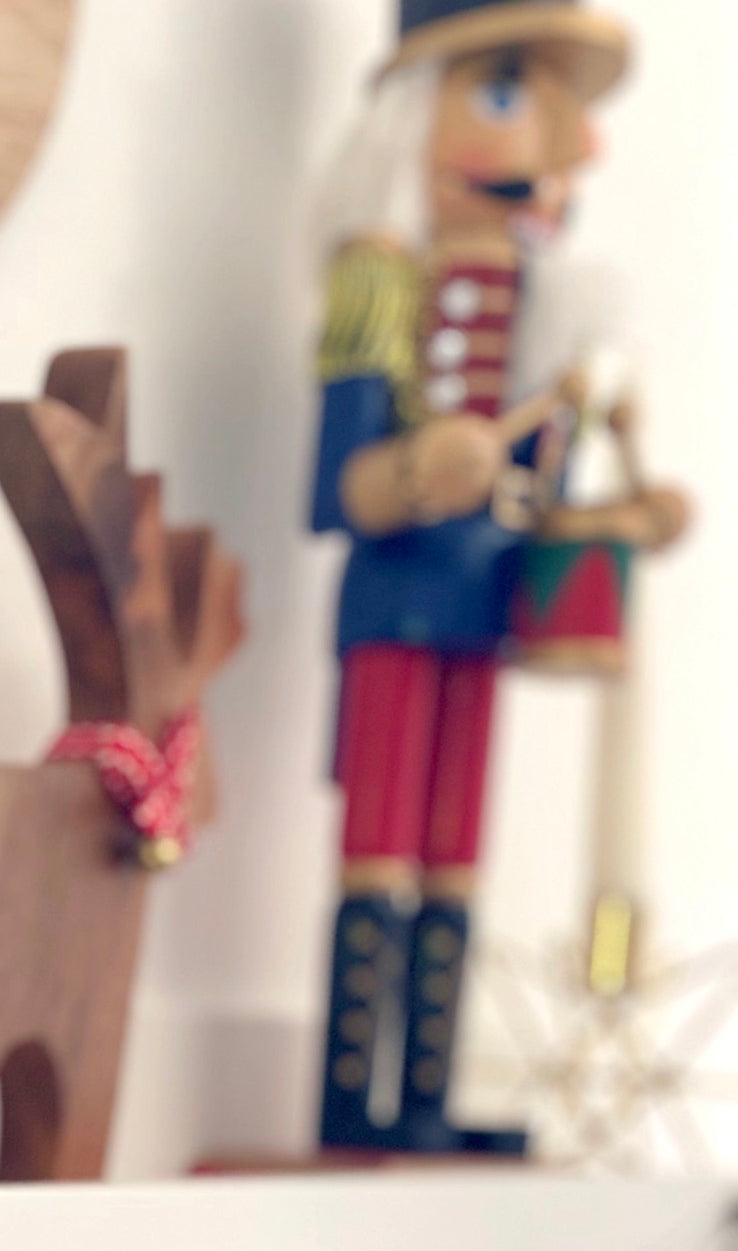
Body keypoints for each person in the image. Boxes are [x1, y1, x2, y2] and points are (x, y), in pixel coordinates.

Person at [310, 0, 642, 1154]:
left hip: (485, 614)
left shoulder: (547, 334)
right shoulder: (378, 296)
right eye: (505, 92)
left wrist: (622, 507)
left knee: (455, 850)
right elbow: (332, 488)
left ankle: (429, 1099)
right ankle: (353, 1102)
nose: (567, 147)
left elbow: (548, 495)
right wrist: (412, 470)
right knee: (382, 839)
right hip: (397, 607)